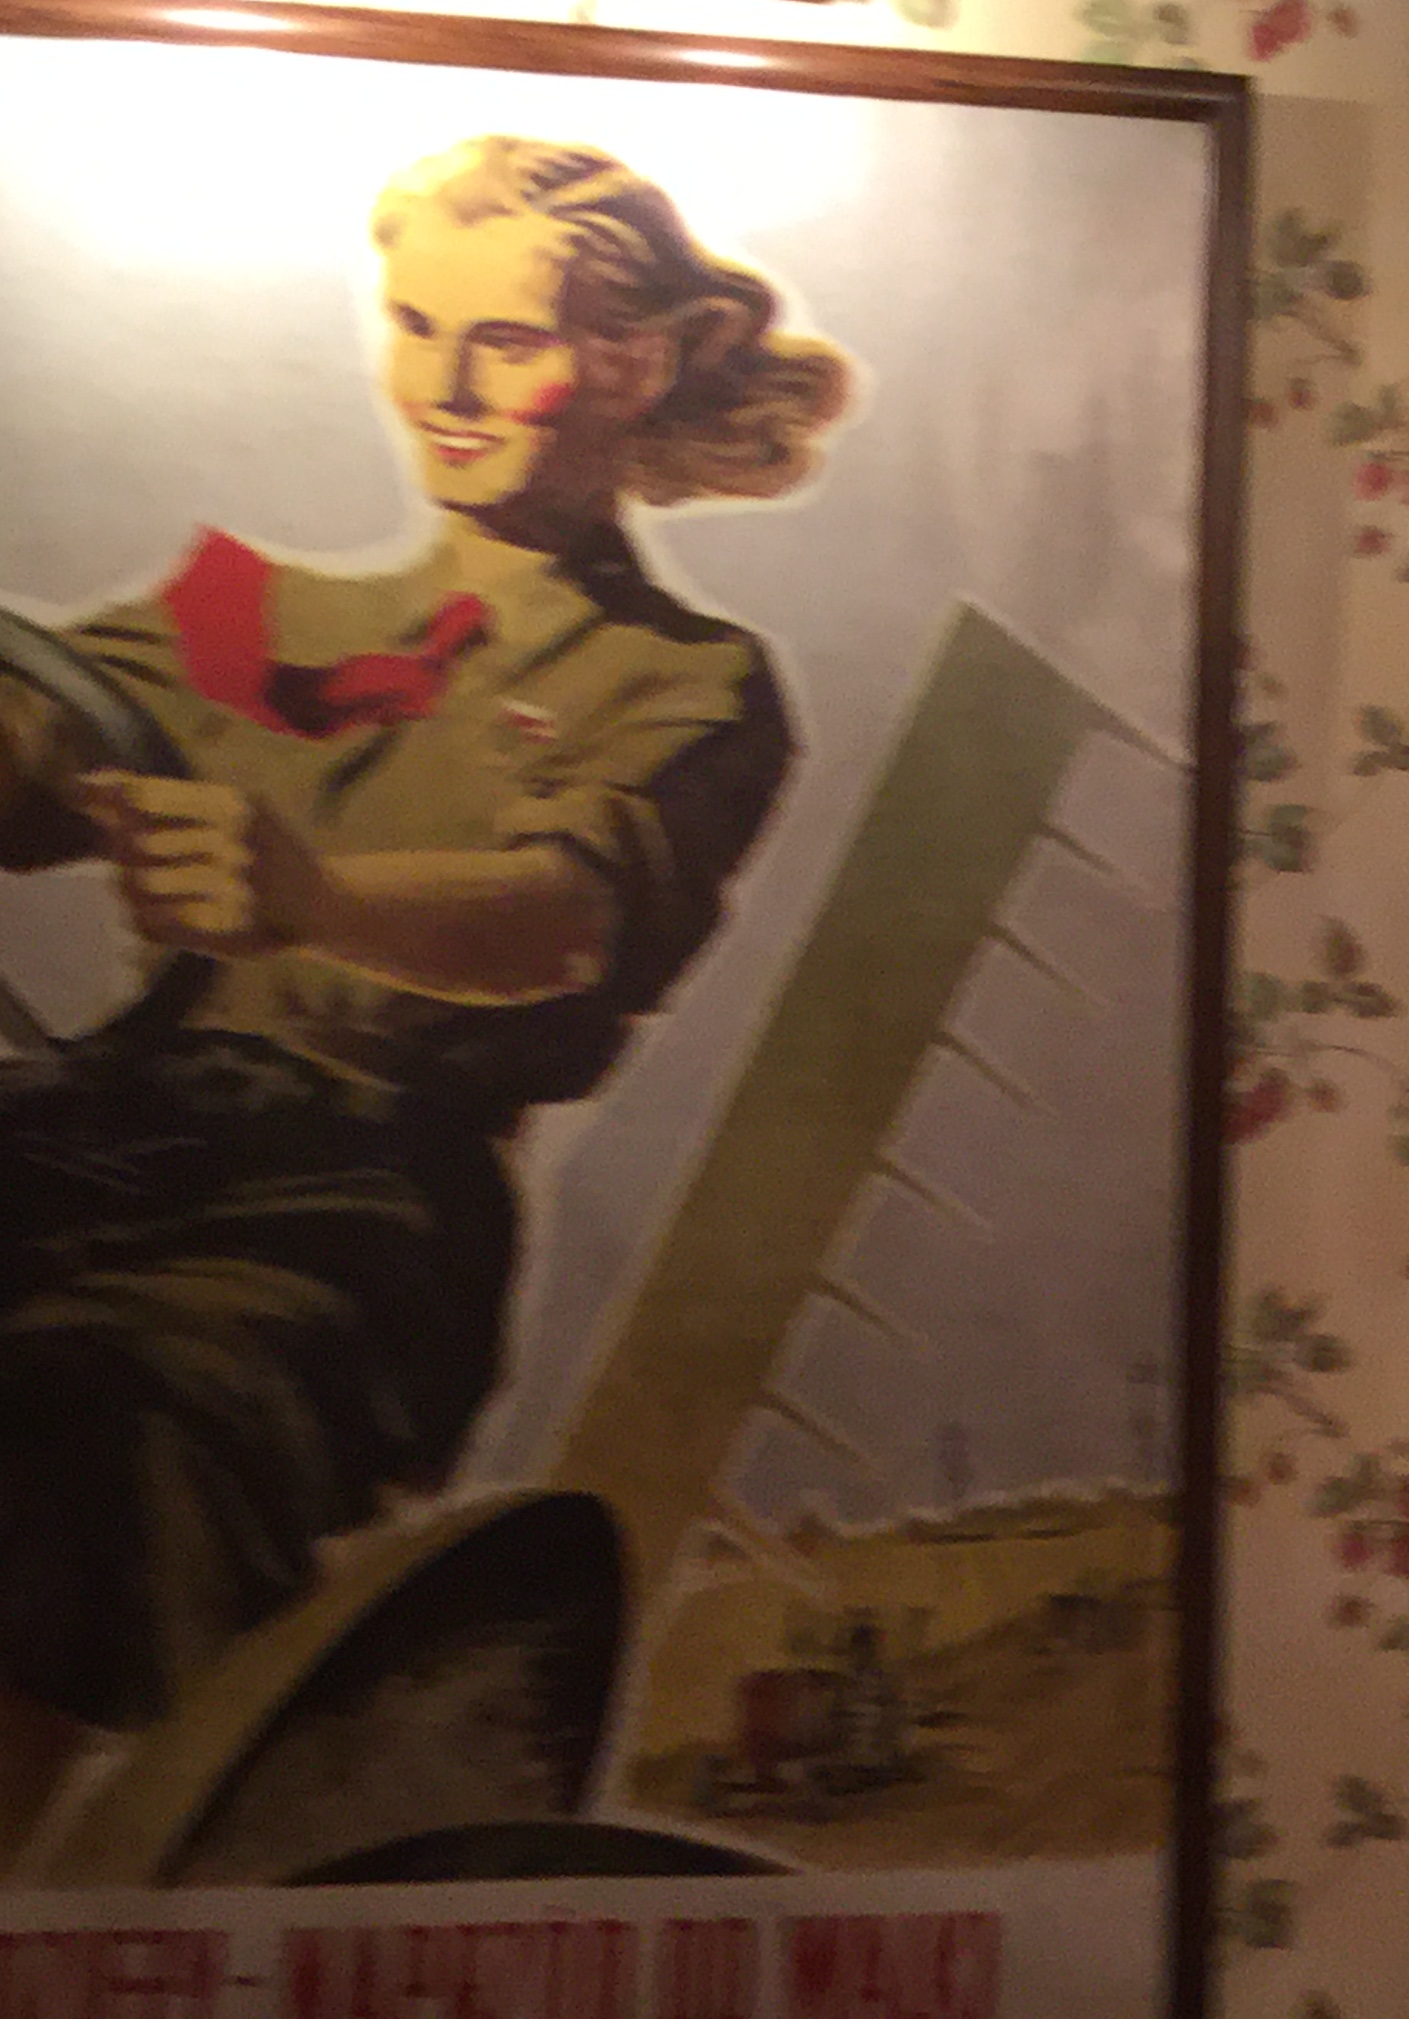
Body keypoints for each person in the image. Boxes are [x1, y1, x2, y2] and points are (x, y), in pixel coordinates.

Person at [0, 136, 854, 1859]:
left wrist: (311, 897)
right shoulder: (246, 619)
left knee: (74, 1410)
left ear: (635, 362)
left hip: (344, 1216)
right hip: (85, 1146)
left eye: (503, 342)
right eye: (413, 327)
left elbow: (563, 921)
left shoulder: (683, 682)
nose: (443, 389)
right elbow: (30, 751)